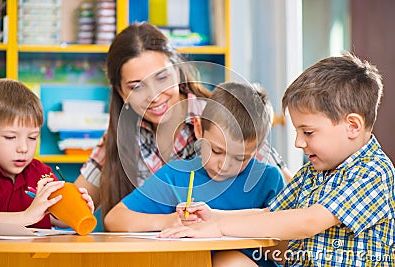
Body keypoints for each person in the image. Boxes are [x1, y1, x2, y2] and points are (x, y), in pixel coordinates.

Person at [160, 53, 395, 266]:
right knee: (227, 262)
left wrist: (220, 228)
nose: (298, 143)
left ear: (352, 126)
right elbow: (270, 214)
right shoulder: (313, 173)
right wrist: (215, 216)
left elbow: (309, 221)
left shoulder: (373, 171)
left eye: (308, 132)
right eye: (297, 132)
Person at [74, 22, 292, 221]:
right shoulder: (120, 138)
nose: (155, 95)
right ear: (121, 93)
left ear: (178, 71)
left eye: (162, 78)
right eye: (136, 87)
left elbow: (293, 199)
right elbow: (76, 209)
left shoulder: (221, 118)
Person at [104, 81, 285, 267]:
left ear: (258, 149)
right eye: (216, 151)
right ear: (199, 129)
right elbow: (115, 219)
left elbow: (286, 252)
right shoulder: (176, 176)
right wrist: (170, 221)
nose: (224, 165)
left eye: (240, 158)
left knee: (230, 262)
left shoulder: (268, 180)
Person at [0, 78, 94, 229]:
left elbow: (55, 217)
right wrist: (26, 216)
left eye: (32, 137)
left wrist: (77, 212)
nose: (23, 148)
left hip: (36, 253)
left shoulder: (41, 174)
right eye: (10, 137)